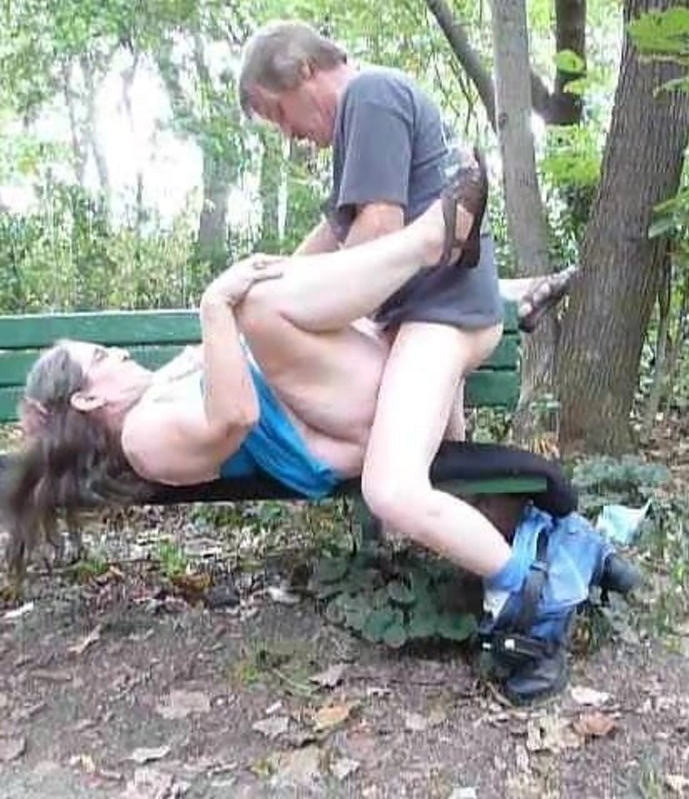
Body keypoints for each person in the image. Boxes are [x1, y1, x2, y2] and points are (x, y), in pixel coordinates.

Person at [2, 157, 566, 601]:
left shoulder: (155, 392)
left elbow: (257, 332)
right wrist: (214, 304)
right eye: (102, 356)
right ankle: (432, 243)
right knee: (258, 308)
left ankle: (496, 290)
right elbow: (236, 416)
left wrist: (330, 231)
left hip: (370, 403)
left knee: (272, 299)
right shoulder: (141, 438)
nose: (120, 355)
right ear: (87, 396)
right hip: (358, 432)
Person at [234, 20, 568, 617]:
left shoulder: (371, 94)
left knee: (390, 488)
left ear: (305, 71)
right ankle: (512, 556)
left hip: (439, 315)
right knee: (443, 465)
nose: (289, 134)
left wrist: (293, 303)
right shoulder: (361, 118)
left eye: (279, 112)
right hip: (428, 309)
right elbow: (336, 232)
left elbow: (376, 230)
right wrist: (267, 276)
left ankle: (538, 591)